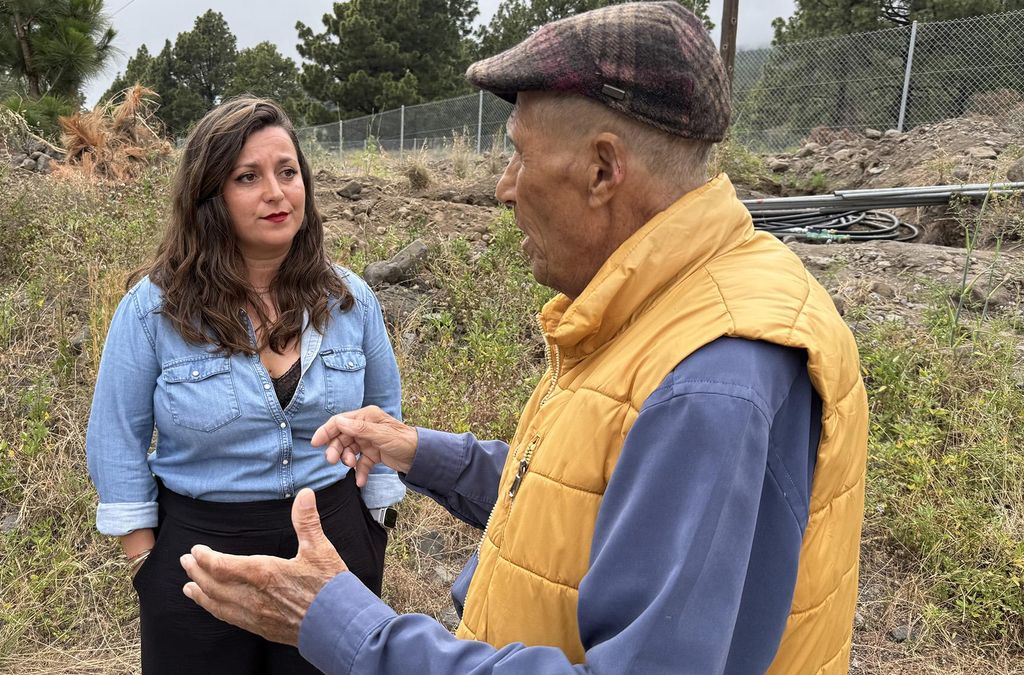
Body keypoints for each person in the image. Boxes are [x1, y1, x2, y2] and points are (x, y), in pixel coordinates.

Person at [178, 4, 869, 674]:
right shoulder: (657, 308)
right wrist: (419, 451)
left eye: (517, 154)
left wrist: (346, 627)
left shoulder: (712, 374)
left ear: (603, 170)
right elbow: (585, 496)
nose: (504, 188)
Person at [85, 96, 405, 674]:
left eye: (288, 172)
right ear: (211, 197)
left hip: (333, 548)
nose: (276, 193)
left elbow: (384, 415)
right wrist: (146, 561)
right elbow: (115, 433)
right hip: (201, 558)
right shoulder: (153, 310)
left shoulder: (350, 300)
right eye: (247, 177)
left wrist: (373, 523)